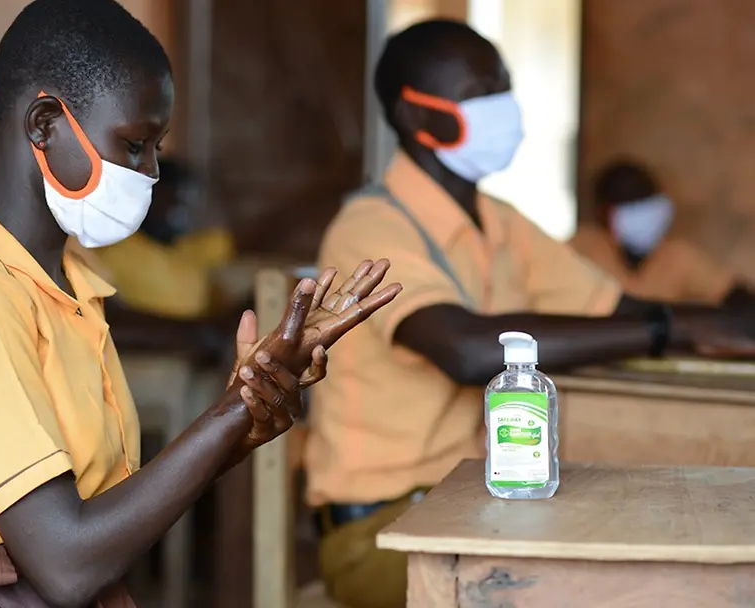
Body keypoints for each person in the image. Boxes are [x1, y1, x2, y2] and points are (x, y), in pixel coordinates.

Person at [0, 2, 402, 606]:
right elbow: (68, 562)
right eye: (135, 144)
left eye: (156, 146)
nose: (152, 171)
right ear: (44, 124)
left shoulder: (66, 284)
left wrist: (243, 411)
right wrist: (226, 419)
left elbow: (106, 522)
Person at [305, 19, 755, 608]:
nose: (502, 107)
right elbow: (465, 350)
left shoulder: (499, 222)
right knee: (613, 587)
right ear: (416, 116)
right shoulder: (370, 226)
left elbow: (616, 305)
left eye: (503, 86)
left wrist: (702, 322)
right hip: (382, 530)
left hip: (481, 497)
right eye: (478, 93)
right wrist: (668, 330)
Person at [571, 160, 749, 305]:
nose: (643, 219)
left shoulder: (677, 256)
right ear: (603, 213)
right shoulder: (580, 249)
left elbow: (732, 293)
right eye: (630, 208)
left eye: (647, 206)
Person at [93, 157, 239, 320]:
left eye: (179, 199)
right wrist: (200, 332)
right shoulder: (115, 251)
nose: (175, 208)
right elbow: (111, 318)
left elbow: (241, 240)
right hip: (155, 343)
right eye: (166, 198)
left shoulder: (186, 247)